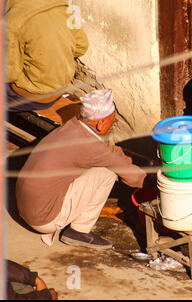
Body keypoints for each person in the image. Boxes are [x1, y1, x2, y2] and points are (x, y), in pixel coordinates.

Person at [15, 89, 147, 249]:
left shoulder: (72, 127)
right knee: (106, 173)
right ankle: (79, 231)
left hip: (25, 207)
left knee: (99, 166)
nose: (112, 125)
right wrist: (160, 181)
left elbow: (109, 150)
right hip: (43, 219)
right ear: (101, 123)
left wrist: (136, 159)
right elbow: (132, 177)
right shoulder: (89, 146)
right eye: (112, 122)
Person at [5, 0, 89, 113]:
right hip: (60, 89)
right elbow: (81, 46)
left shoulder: (11, 21)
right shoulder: (60, 4)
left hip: (31, 95)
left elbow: (9, 73)